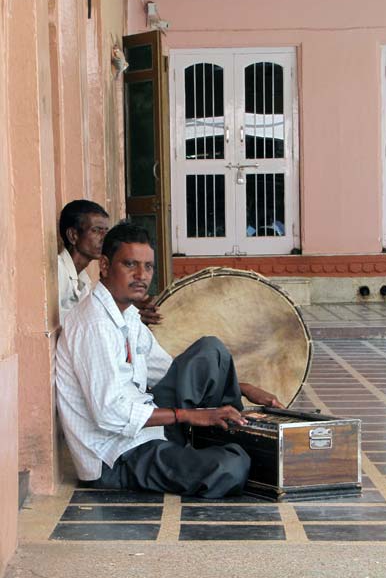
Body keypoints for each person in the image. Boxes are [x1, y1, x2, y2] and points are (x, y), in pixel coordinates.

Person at [56, 221, 283, 498]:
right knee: (232, 465)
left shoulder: (126, 314)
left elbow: (165, 370)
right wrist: (189, 415)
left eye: (148, 267)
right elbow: (109, 415)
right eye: (130, 265)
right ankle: (222, 448)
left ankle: (229, 431)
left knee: (211, 352)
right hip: (118, 457)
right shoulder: (94, 324)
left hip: (151, 431)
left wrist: (242, 386)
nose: (141, 275)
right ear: (104, 265)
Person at [58, 199, 161, 326]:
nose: (104, 238)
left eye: (106, 231)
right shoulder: (58, 272)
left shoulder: (83, 278)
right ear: (73, 235)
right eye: (96, 230)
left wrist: (131, 310)